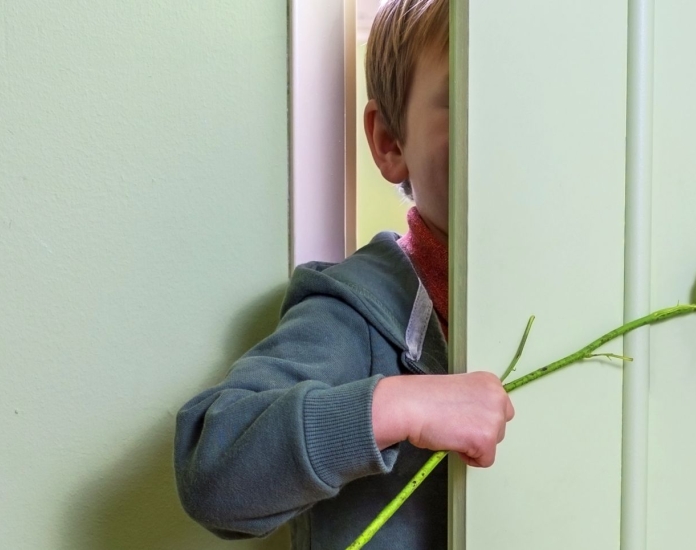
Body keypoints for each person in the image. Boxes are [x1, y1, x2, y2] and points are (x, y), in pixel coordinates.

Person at [173, 0, 514, 548]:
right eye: (465, 93)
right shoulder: (357, 313)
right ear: (390, 142)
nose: (510, 123)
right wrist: (398, 405)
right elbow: (212, 473)